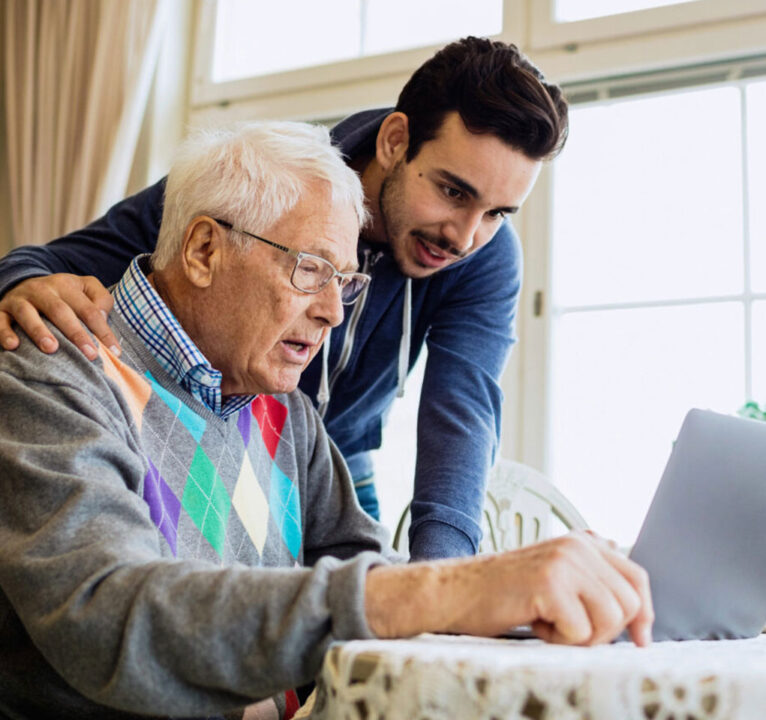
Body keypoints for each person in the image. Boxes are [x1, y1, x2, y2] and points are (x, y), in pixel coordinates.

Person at [0, 120, 652, 720]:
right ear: (202, 249)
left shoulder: (288, 414)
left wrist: (519, 597)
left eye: (343, 283)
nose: (333, 315)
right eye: (310, 270)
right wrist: (451, 590)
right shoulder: (54, 374)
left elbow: (370, 571)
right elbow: (110, 615)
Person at [0, 37, 568, 562]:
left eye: (497, 213)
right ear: (396, 142)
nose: (465, 236)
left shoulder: (483, 259)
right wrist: (19, 283)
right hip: (211, 436)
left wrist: (448, 581)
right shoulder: (266, 183)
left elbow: (462, 415)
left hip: (333, 467)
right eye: (452, 191)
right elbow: (53, 262)